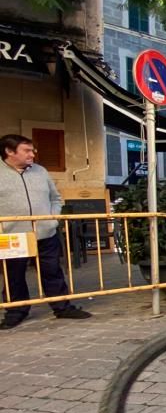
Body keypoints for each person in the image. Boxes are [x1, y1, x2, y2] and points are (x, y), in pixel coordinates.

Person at [0, 134, 92, 329]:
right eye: (27, 150)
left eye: (32, 150)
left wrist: (52, 219)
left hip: (45, 232)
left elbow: (55, 198)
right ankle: (16, 311)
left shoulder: (40, 171)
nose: (32, 154)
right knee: (13, 275)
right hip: (11, 236)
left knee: (52, 271)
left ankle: (62, 307)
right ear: (9, 151)